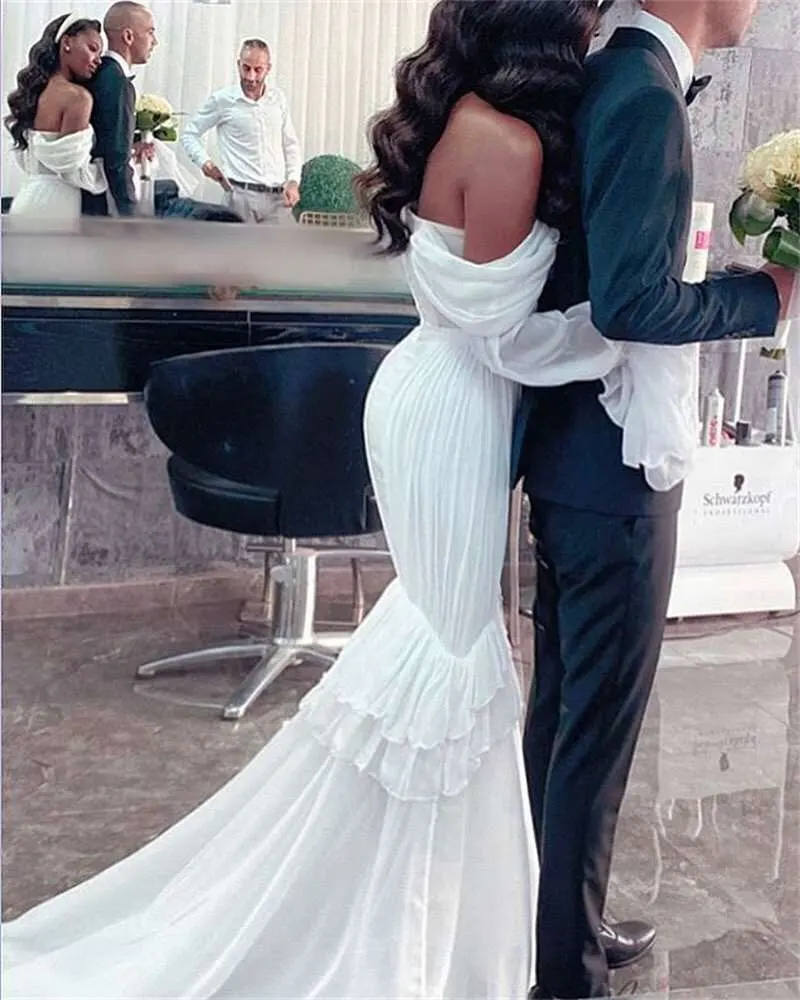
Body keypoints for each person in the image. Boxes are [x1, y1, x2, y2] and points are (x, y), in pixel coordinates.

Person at [2, 3, 793, 999]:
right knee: (451, 659)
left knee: (450, 655)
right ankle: (451, 929)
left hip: (446, 391)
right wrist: (683, 317)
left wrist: (628, 322)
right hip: (456, 405)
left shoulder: (485, 118)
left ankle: (508, 919)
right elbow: (515, 336)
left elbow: (513, 314)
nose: (597, 15)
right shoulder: (505, 139)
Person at [517, 1, 795, 997]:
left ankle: (557, 931)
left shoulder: (614, 73)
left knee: (562, 718)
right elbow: (631, 302)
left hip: (575, 452)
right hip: (615, 465)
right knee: (591, 736)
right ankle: (567, 975)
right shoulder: (640, 91)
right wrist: (766, 295)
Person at [181, 38, 302, 224]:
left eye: (258, 70)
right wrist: (205, 163)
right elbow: (190, 134)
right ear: (238, 65)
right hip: (240, 198)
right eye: (246, 68)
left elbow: (290, 145)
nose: (251, 77)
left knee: (287, 243)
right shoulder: (222, 100)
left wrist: (293, 181)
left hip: (278, 200)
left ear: (268, 68)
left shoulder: (278, 99)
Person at [5, 14, 106, 222]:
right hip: (56, 205)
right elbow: (74, 172)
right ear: (67, 42)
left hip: (28, 197)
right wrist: (128, 162)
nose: (98, 60)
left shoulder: (34, 94)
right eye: (93, 48)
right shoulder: (78, 98)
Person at [81, 0, 158, 217]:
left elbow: (103, 137)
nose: (155, 42)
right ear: (128, 37)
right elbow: (116, 159)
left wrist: (131, 145)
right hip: (101, 198)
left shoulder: (101, 73)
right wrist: (129, 213)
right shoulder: (118, 82)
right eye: (150, 32)